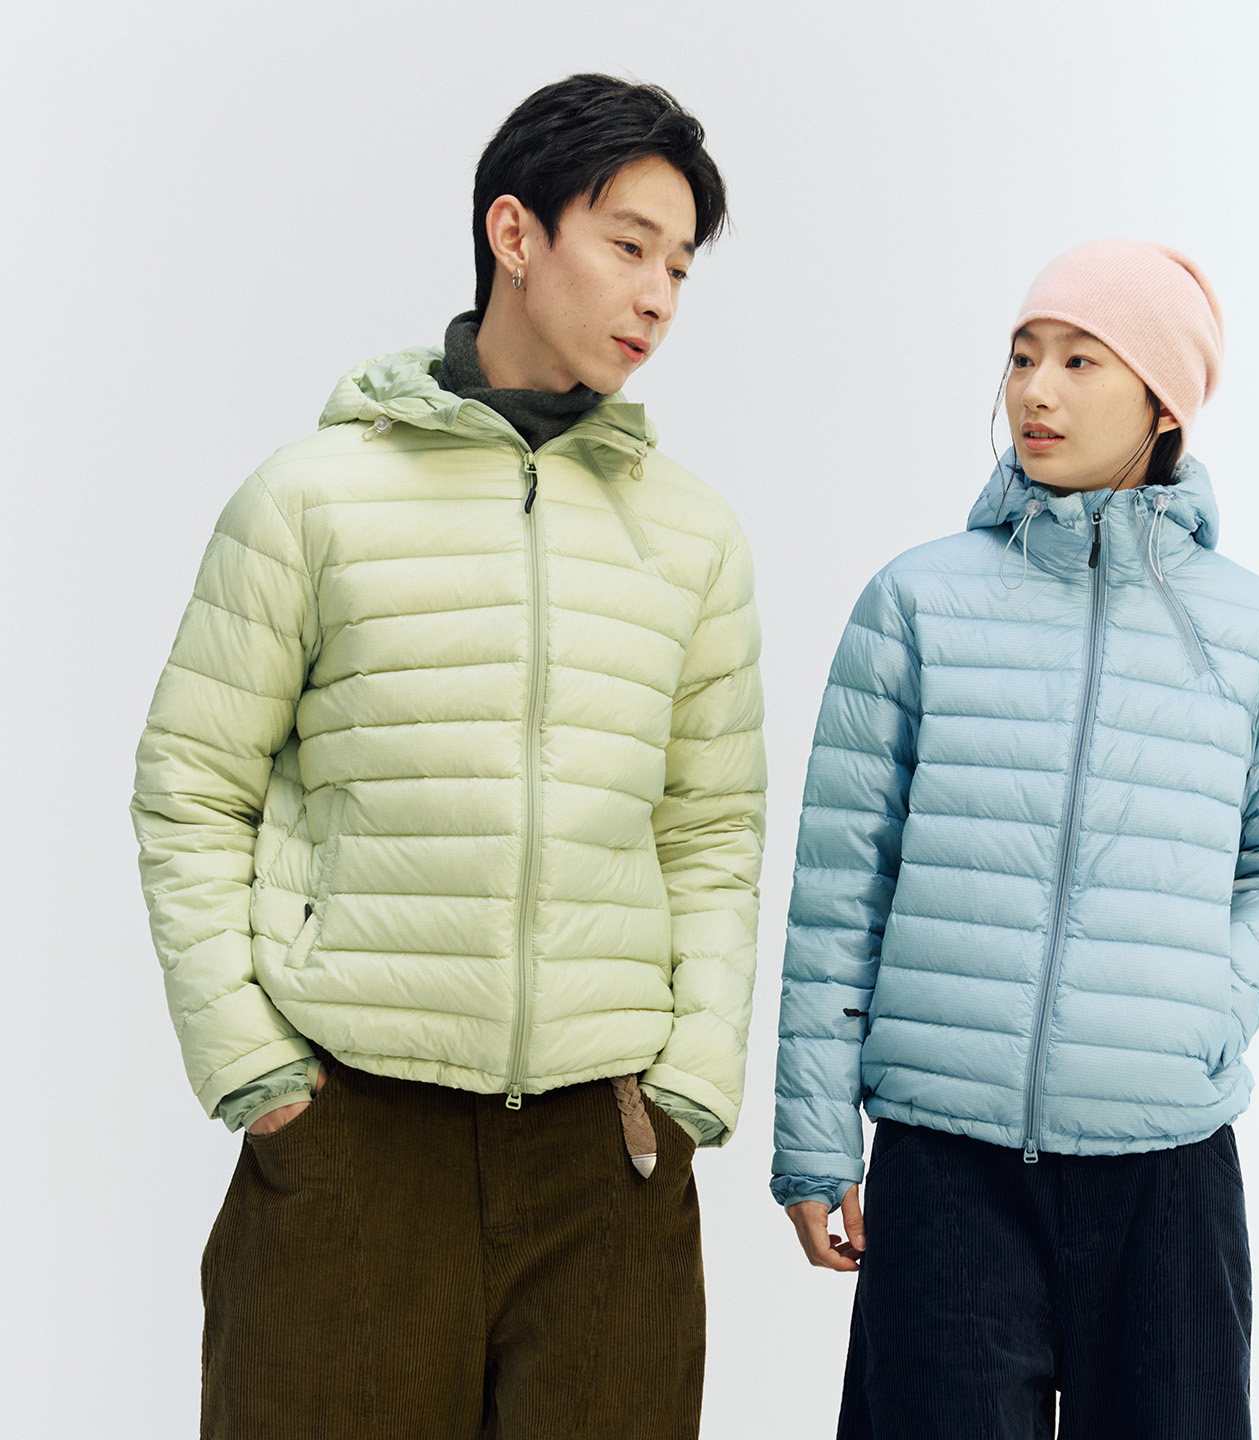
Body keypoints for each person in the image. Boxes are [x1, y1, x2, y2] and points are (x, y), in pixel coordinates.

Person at [132, 73, 764, 1440]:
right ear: (515, 234)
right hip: (355, 1136)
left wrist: (693, 1079)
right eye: (629, 245)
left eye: (679, 265)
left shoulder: (693, 537)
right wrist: (255, 1069)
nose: (657, 296)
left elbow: (713, 827)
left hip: (607, 1155)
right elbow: (191, 784)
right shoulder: (312, 500)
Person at [771, 239, 1259, 1438]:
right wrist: (817, 1136)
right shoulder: (917, 604)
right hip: (947, 1163)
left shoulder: (1256, 636)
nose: (1036, 390)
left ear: (1164, 400)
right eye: (1024, 356)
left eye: (1082, 360)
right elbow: (841, 889)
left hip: (1165, 1172)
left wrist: (1202, 1007)